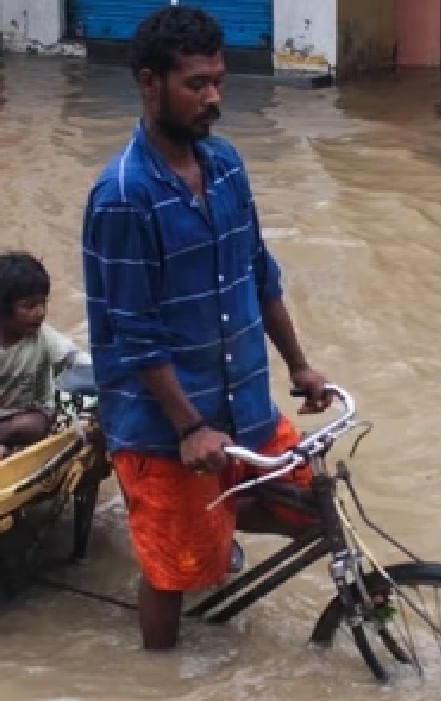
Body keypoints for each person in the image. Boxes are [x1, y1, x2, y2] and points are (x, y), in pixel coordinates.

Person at [80, 5, 331, 651]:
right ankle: (160, 675)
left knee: (309, 505)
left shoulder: (225, 166)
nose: (213, 97)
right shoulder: (123, 195)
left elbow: (260, 274)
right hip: (166, 427)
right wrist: (189, 426)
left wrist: (300, 366)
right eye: (196, 84)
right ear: (148, 83)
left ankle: (215, 528)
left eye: (218, 80)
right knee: (175, 571)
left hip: (243, 400)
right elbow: (134, 328)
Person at [0, 252, 89, 454]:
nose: (40, 312)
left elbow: (76, 358)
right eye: (29, 306)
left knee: (29, 425)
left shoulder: (43, 337)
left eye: (42, 303)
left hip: (31, 414)